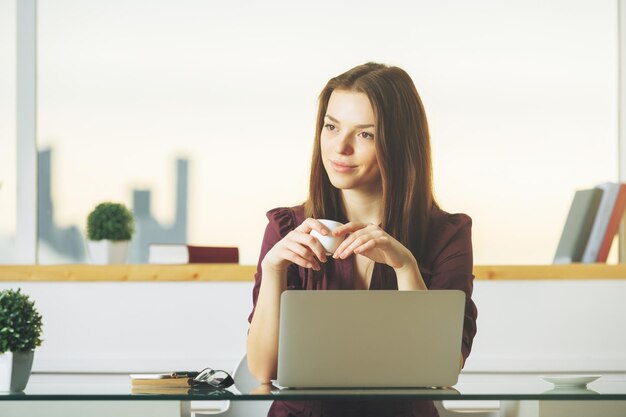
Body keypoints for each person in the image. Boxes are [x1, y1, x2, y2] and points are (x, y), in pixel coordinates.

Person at [247, 62, 478, 417]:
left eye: (365, 134)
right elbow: (263, 371)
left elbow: (441, 367)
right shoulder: (287, 227)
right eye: (331, 127)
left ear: (399, 144)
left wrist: (405, 267)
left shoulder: (446, 235)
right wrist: (273, 268)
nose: (340, 147)